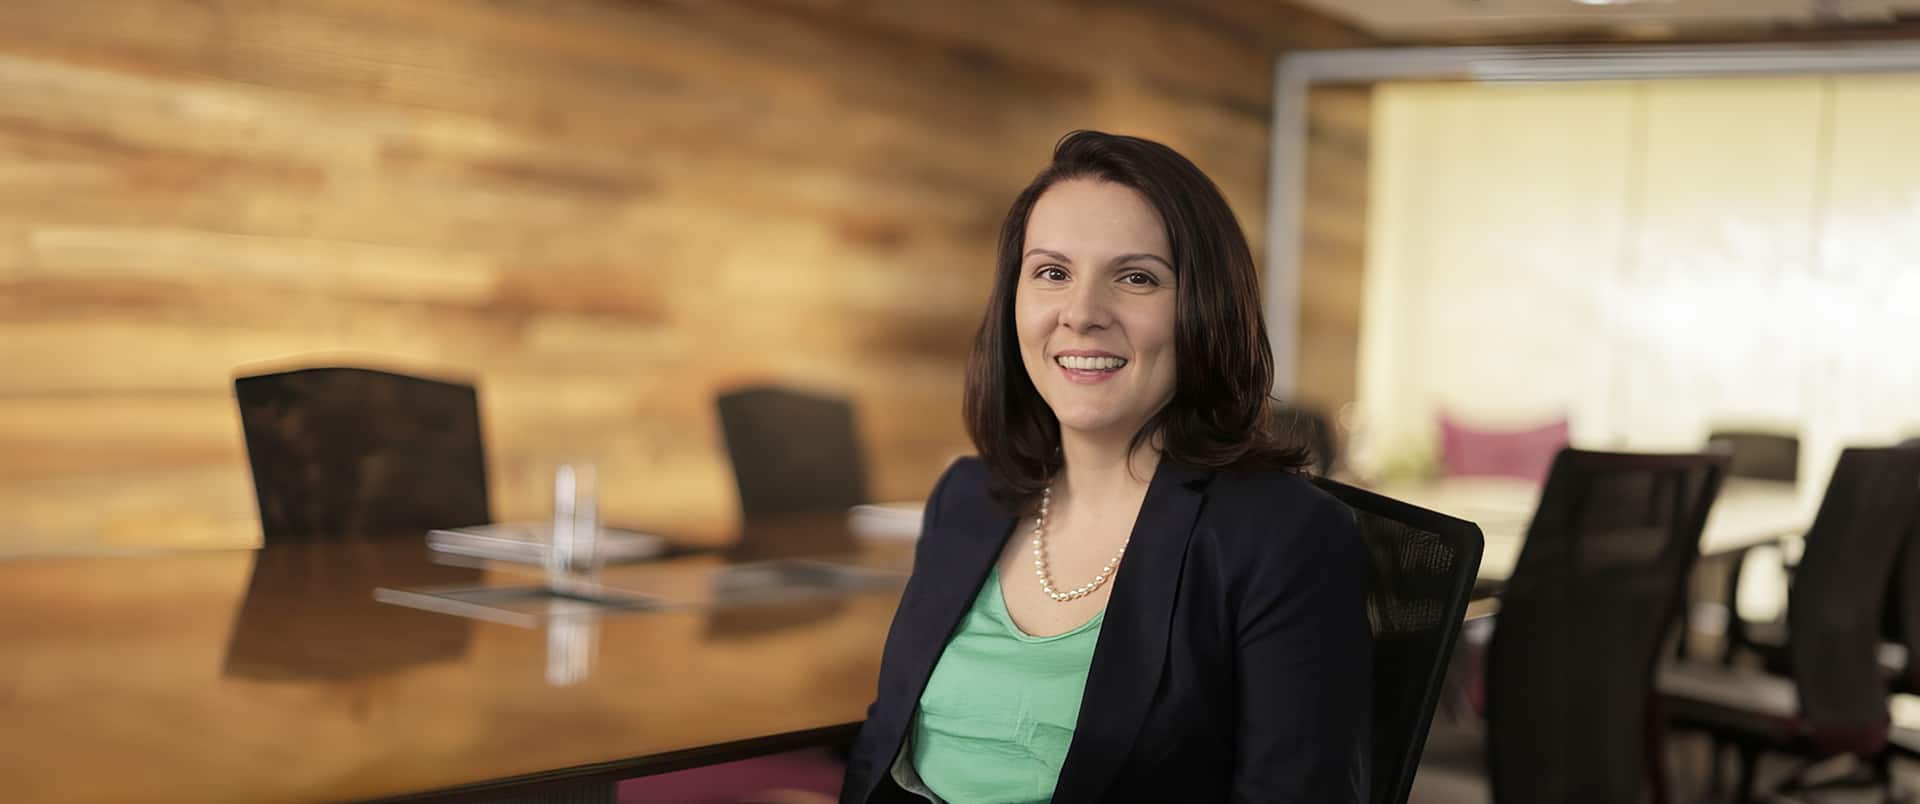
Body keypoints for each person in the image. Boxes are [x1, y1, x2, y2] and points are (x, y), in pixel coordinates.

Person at [838, 131, 1372, 804]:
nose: (1082, 313)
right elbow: (883, 743)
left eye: (1136, 277)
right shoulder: (969, 495)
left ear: (1203, 309)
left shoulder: (1282, 535)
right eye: (1052, 273)